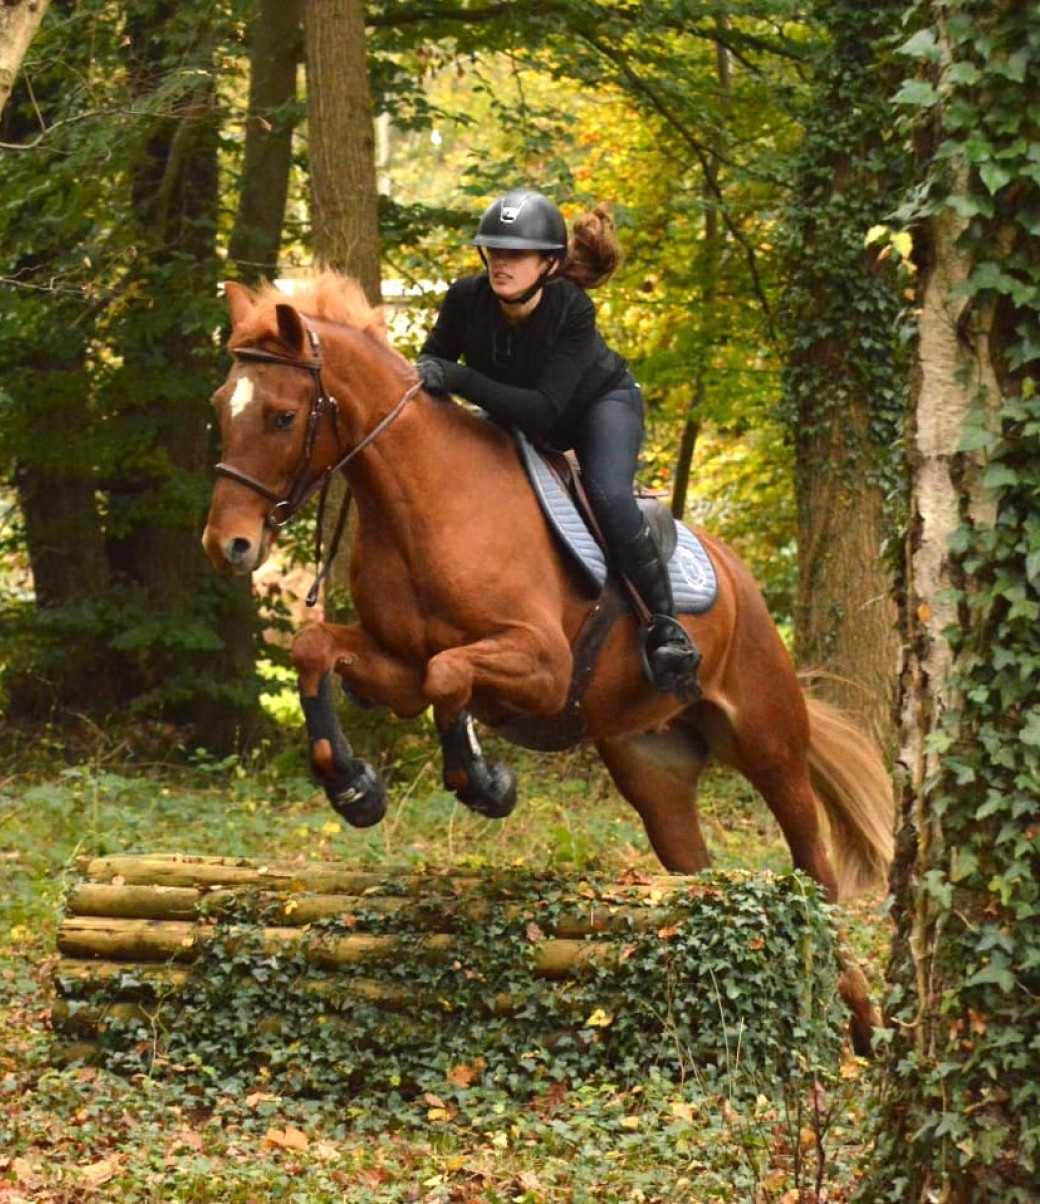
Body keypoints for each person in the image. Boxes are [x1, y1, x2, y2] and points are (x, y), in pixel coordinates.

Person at [416, 188, 700, 700]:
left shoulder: (571, 309)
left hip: (596, 409)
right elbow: (429, 369)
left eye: (516, 254)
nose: (501, 264)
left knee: (610, 497)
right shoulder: (465, 299)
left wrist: (458, 378)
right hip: (513, 417)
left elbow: (544, 407)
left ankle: (665, 627)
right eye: (495, 251)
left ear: (548, 264)